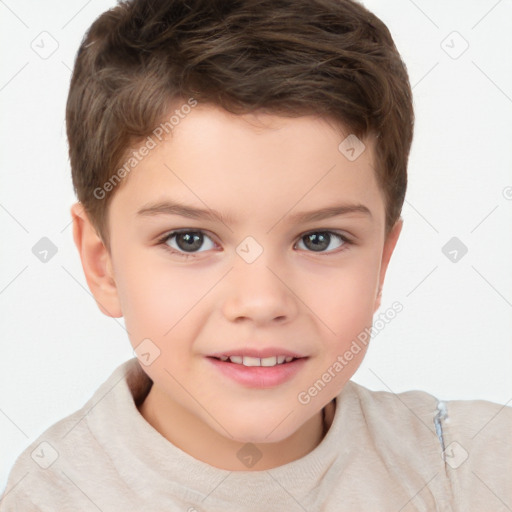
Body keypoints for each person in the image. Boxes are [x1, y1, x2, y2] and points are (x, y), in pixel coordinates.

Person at [1, 0, 510, 510]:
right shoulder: (51, 495)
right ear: (102, 263)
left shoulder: (472, 468)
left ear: (381, 264)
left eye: (319, 239)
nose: (262, 301)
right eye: (190, 240)